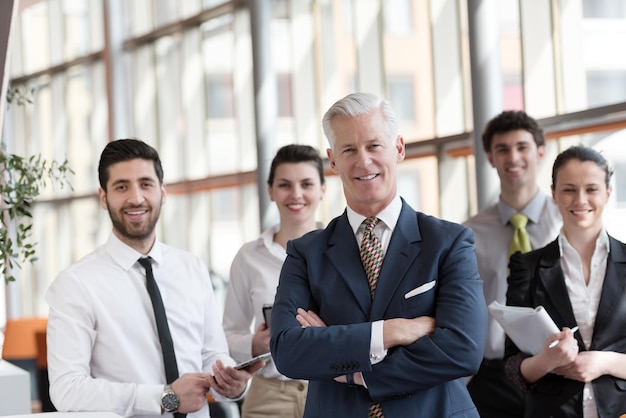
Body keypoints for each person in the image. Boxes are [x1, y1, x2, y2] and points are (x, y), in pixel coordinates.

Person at [269, 92, 487, 417]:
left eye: (374, 145)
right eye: (349, 150)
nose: (363, 161)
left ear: (398, 148)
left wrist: (353, 371)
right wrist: (391, 332)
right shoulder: (305, 253)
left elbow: (462, 350)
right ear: (332, 160)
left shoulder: (449, 242)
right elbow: (288, 352)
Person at [46, 139, 263, 418]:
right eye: (121, 186)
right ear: (103, 197)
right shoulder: (75, 284)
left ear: (162, 192)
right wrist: (165, 398)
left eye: (146, 184)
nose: (136, 198)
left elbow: (211, 353)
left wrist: (231, 384)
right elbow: (67, 389)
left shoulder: (192, 269)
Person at [504, 145, 626, 417]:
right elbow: (512, 365)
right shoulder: (526, 267)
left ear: (607, 193)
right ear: (554, 194)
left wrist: (605, 362)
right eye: (569, 189)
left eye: (591, 189)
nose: (580, 200)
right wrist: (546, 361)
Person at [464, 110, 562, 417]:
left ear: (540, 153)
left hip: (558, 367)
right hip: (492, 377)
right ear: (491, 159)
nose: (513, 157)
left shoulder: (566, 222)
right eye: (502, 149)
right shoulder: (469, 233)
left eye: (522, 147)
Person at [223, 144, 326, 417]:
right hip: (268, 398)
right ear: (270, 190)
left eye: (306, 184)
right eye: (284, 185)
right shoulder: (248, 258)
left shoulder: (345, 251)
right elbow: (227, 333)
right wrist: (253, 346)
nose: (296, 194)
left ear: (322, 189)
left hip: (332, 392)